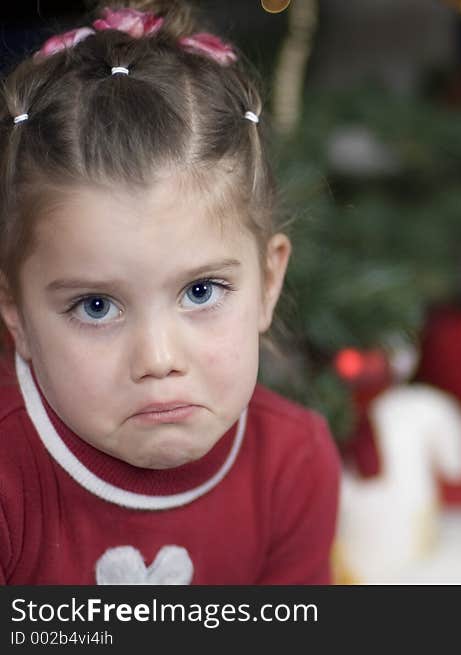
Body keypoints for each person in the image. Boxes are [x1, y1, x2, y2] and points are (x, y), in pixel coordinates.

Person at [0, 1, 341, 584]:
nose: (158, 360)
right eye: (96, 306)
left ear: (268, 280)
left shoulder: (294, 466)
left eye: (202, 291)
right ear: (17, 314)